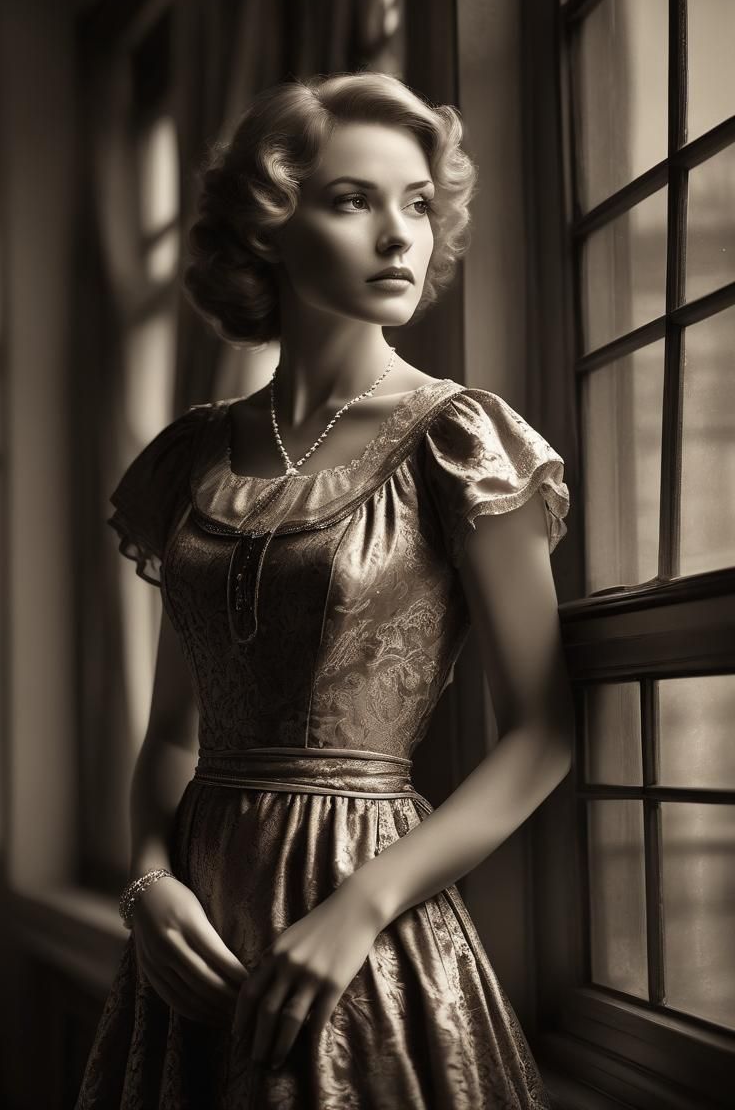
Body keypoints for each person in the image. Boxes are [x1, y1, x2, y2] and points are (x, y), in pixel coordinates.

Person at [76, 69, 573, 1109]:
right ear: (269, 226)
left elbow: (540, 732)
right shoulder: (193, 456)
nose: (400, 236)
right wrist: (147, 882)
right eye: (353, 201)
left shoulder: (457, 440)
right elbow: (173, 729)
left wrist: (358, 911)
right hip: (194, 922)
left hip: (366, 914)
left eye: (418, 204)